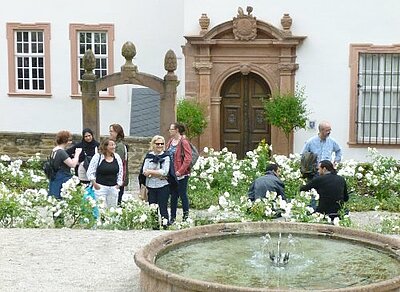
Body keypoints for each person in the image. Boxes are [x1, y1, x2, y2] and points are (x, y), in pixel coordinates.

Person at [139, 135, 173, 228]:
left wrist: (151, 172)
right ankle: (155, 226)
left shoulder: (166, 156)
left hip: (163, 186)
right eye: (158, 144)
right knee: (152, 208)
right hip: (151, 186)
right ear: (153, 144)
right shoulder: (149, 156)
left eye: (162, 144)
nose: (160, 146)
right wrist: (156, 173)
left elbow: (165, 171)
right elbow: (144, 171)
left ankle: (165, 225)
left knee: (163, 208)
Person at [166, 123, 192, 223]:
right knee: (173, 195)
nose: (169, 131)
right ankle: (172, 217)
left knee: (182, 194)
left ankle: (185, 217)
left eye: (171, 129)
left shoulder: (183, 142)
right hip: (172, 173)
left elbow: (188, 158)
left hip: (182, 174)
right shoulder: (170, 142)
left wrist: (180, 171)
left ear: (176, 130)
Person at [86, 138, 123, 208]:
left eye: (114, 145)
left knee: (112, 210)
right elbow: (90, 171)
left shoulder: (117, 157)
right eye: (111, 145)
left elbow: (120, 172)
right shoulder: (98, 157)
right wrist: (94, 183)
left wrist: (118, 184)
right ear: (105, 146)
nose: (114, 147)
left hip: (113, 188)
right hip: (100, 187)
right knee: (101, 209)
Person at [48, 130, 82, 199]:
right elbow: (72, 165)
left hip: (55, 176)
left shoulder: (54, 150)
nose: (70, 142)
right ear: (65, 140)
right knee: (61, 198)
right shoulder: (61, 152)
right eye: (69, 140)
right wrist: (77, 154)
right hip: (62, 177)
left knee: (54, 198)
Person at [109, 124, 128, 205]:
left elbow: (117, 161)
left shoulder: (119, 146)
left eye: (112, 131)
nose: (110, 133)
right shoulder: (115, 144)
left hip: (117, 177)